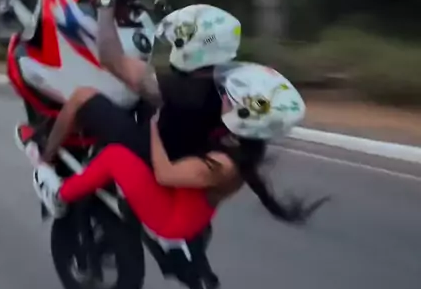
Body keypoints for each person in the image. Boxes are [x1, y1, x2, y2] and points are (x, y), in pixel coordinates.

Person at [32, 62, 327, 231]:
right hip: (190, 204)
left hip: (171, 218)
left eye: (230, 98)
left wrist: (154, 126)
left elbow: (164, 173)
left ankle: (58, 194)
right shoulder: (245, 145)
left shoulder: (222, 165)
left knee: (115, 156)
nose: (223, 97)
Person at [33, 0, 242, 169]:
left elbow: (111, 60)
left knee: (82, 96)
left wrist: (105, 2)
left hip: (155, 153)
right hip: (189, 151)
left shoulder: (176, 87)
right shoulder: (228, 83)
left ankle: (45, 158)